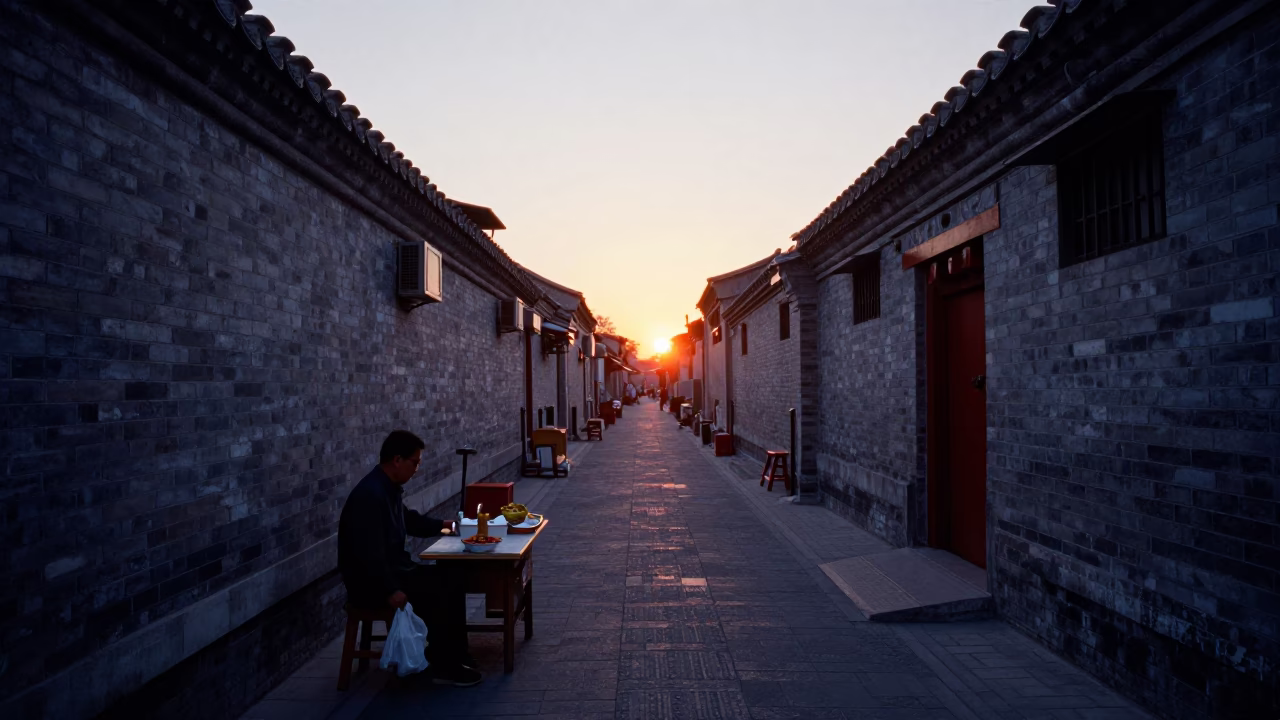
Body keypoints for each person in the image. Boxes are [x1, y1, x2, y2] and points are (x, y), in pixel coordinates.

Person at [337, 430, 481, 686]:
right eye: (414, 462)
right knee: (438, 590)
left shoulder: (387, 489)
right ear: (397, 460)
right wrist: (390, 589)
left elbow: (410, 520)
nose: (416, 469)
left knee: (451, 577)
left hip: (396, 572)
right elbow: (367, 554)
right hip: (373, 584)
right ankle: (443, 665)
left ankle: (456, 656)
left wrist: (445, 525)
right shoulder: (370, 495)